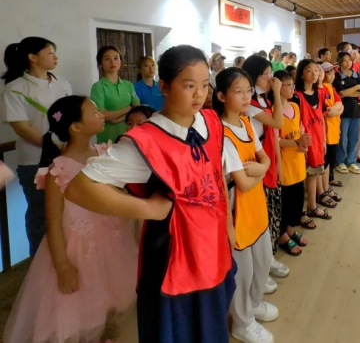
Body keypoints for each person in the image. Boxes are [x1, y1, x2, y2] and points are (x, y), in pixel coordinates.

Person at [65, 45, 236, 342]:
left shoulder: (211, 122)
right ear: (164, 86)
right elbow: (79, 188)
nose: (199, 94)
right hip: (173, 260)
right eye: (189, 86)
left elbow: (217, 174)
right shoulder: (145, 140)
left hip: (213, 248)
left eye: (204, 85)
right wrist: (149, 209)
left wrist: (228, 227)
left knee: (212, 327)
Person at [3, 95, 138, 343]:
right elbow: (53, 222)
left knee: (108, 299)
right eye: (94, 112)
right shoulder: (59, 169)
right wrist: (62, 265)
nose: (101, 115)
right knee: (77, 308)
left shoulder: (103, 153)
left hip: (111, 242)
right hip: (76, 249)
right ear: (76, 126)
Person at [213, 68, 278, 343]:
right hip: (237, 209)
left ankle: (254, 304)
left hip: (256, 205)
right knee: (244, 272)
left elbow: (264, 159)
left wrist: (260, 169)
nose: (245, 96)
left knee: (263, 261)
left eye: (248, 90)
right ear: (221, 96)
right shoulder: (222, 134)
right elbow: (241, 182)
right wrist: (261, 170)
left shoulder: (246, 122)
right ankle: (242, 322)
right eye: (238, 91)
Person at [2, 37, 72, 256]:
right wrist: (55, 147)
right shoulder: (15, 88)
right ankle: (40, 264)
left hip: (66, 158)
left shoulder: (62, 84)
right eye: (50, 52)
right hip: (35, 161)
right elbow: (22, 128)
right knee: (41, 213)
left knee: (67, 211)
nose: (55, 57)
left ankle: (65, 257)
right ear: (32, 57)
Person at [242, 55, 291, 282]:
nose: (270, 79)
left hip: (268, 161)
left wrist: (278, 163)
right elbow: (278, 123)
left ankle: (268, 259)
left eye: (271, 74)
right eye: (266, 75)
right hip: (256, 165)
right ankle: (261, 266)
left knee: (272, 213)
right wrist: (278, 93)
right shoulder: (250, 105)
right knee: (261, 218)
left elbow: (274, 133)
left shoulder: (263, 99)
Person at [273, 70, 312, 252]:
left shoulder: (295, 106)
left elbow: (300, 129)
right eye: (288, 85)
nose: (292, 89)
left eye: (292, 85)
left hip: (297, 160)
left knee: (297, 198)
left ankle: (290, 228)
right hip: (284, 163)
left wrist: (303, 143)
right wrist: (296, 142)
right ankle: (282, 234)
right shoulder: (274, 111)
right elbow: (276, 140)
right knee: (285, 202)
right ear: (278, 87)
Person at [294, 60, 333, 221]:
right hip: (303, 140)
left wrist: (323, 139)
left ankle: (312, 205)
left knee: (314, 173)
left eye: (316, 70)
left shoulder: (320, 93)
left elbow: (322, 118)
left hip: (317, 139)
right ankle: (305, 210)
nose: (314, 73)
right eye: (309, 70)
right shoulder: (296, 96)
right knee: (304, 175)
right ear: (301, 74)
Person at [90, 46, 139, 143]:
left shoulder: (128, 85)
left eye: (116, 58)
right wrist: (128, 108)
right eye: (107, 59)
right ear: (100, 63)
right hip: (108, 139)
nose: (112, 62)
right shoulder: (98, 87)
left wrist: (117, 119)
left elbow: (137, 108)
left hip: (130, 136)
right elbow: (102, 115)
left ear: (121, 61)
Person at [333, 52, 360, 175]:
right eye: (345, 60)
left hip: (356, 110)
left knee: (354, 137)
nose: (348, 62)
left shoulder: (356, 74)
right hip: (343, 110)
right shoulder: (337, 76)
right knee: (342, 138)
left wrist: (349, 92)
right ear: (340, 62)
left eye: (349, 60)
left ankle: (351, 161)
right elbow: (341, 94)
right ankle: (340, 161)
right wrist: (356, 88)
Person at [321, 62, 344, 188]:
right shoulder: (322, 89)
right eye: (328, 73)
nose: (332, 75)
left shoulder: (331, 87)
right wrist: (337, 109)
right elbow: (328, 111)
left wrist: (338, 110)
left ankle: (330, 178)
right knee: (327, 157)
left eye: (333, 73)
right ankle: (325, 182)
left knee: (332, 156)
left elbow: (339, 103)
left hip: (334, 127)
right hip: (327, 130)